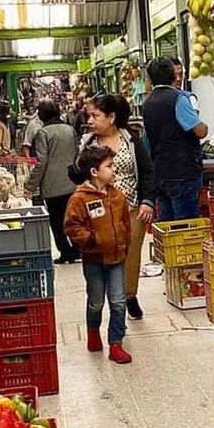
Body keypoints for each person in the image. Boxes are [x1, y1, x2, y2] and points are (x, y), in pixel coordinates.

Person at [83, 93, 154, 321]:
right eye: (89, 116)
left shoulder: (131, 140)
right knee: (108, 259)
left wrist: (147, 201)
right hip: (100, 214)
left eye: (95, 115)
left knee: (131, 256)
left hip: (132, 209)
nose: (90, 121)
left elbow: (147, 171)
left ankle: (129, 295)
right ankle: (113, 301)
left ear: (111, 117)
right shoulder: (88, 144)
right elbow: (78, 175)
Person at [64, 143, 132, 365]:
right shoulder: (80, 199)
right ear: (94, 172)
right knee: (96, 301)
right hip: (93, 260)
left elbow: (125, 224)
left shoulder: (118, 197)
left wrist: (124, 245)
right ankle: (93, 332)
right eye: (110, 166)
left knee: (118, 302)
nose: (114, 170)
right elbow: (72, 227)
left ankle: (116, 344)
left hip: (117, 259)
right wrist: (92, 240)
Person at [141, 55, 207, 221]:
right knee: (185, 227)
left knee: (167, 227)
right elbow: (199, 131)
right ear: (173, 75)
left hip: (161, 174)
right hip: (182, 173)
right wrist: (203, 125)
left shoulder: (147, 103)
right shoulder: (178, 99)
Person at [25, 100, 79, 263]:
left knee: (57, 222)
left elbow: (41, 162)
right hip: (72, 182)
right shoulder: (70, 130)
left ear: (41, 115)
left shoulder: (43, 133)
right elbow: (76, 153)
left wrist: (30, 185)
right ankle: (77, 249)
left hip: (52, 185)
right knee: (74, 218)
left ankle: (65, 252)